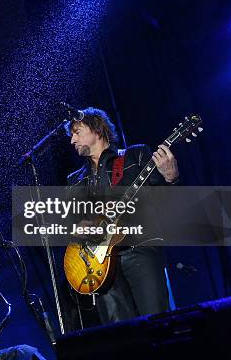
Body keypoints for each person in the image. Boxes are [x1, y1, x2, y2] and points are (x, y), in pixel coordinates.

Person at [64, 107, 179, 324]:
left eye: (77, 132)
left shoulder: (136, 156)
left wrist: (171, 179)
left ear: (97, 129)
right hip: (100, 266)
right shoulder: (76, 180)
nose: (72, 140)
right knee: (122, 335)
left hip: (139, 250)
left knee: (158, 323)